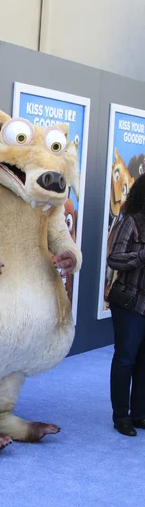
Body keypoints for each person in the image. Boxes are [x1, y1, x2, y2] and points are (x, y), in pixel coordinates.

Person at [107, 173, 145, 436]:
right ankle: (121, 416)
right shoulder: (131, 222)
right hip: (131, 302)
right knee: (125, 359)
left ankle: (140, 414)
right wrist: (141, 255)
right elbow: (114, 259)